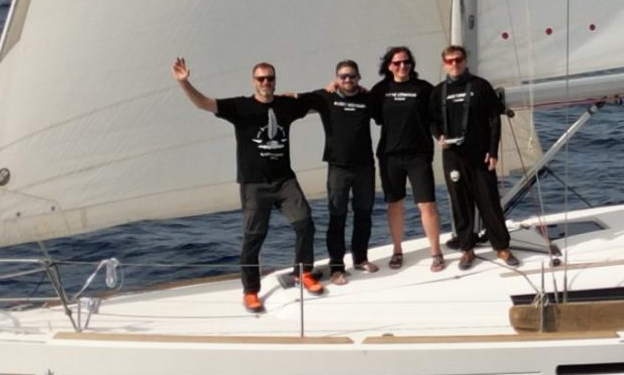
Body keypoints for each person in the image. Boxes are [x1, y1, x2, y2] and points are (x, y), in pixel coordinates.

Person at [171, 57, 325, 314]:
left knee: (305, 224)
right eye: (261, 78)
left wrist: (334, 87)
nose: (266, 82)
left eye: (270, 78)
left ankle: (303, 273)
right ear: (254, 81)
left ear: (275, 81)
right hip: (254, 184)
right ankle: (251, 291)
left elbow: (316, 103)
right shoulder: (240, 107)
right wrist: (184, 83)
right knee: (254, 237)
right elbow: (203, 103)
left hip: (284, 181)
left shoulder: (286, 105)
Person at [431, 44, 519, 271]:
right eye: (450, 61)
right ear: (444, 64)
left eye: (458, 59)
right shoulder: (438, 91)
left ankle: (501, 247)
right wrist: (439, 136)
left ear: (465, 61)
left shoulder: (480, 86)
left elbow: (494, 119)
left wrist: (493, 151)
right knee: (460, 204)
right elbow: (432, 121)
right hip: (453, 156)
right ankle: (467, 249)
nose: (455, 64)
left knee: (489, 201)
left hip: (480, 155)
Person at [302, 60, 378, 283]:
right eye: (343, 76)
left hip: (365, 166)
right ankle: (336, 266)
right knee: (338, 216)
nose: (348, 80)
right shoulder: (325, 97)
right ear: (336, 78)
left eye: (352, 76)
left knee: (364, 214)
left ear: (359, 77)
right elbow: (294, 99)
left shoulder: (367, 98)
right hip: (338, 168)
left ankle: (360, 258)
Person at [369, 45, 443, 270]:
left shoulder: (424, 88)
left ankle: (436, 252)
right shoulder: (380, 90)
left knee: (427, 204)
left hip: (419, 155)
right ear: (388, 66)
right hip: (390, 156)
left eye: (406, 62)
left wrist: (441, 136)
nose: (402, 66)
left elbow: (436, 116)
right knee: (395, 204)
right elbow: (369, 111)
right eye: (397, 63)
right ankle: (397, 250)